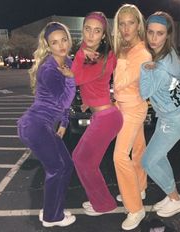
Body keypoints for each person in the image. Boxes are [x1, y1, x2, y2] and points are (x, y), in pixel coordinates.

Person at [17, 22, 76, 227]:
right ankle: (52, 217)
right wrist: (71, 79)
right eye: (54, 42)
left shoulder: (66, 61)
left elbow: (63, 108)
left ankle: (53, 210)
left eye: (64, 40)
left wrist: (64, 123)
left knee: (66, 166)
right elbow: (63, 101)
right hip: (34, 126)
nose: (61, 45)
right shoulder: (50, 69)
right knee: (56, 169)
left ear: (69, 40)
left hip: (45, 126)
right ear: (48, 46)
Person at [140, 11, 180, 217]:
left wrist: (145, 69)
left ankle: (176, 200)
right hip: (174, 113)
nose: (153, 38)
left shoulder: (159, 67)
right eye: (150, 32)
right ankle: (171, 195)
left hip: (174, 119)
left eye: (159, 34)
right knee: (159, 157)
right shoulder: (168, 53)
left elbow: (144, 92)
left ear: (167, 35)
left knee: (149, 161)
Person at [71, 12, 123, 216]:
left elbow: (74, 78)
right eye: (87, 29)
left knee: (83, 161)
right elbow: (89, 82)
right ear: (82, 29)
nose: (91, 34)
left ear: (103, 35)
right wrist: (88, 101)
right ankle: (100, 201)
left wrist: (82, 55)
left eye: (97, 30)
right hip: (100, 115)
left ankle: (103, 204)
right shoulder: (87, 52)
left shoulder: (105, 56)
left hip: (107, 118)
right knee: (82, 159)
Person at [112, 4, 152, 230]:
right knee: (138, 148)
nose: (126, 28)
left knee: (119, 157)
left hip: (133, 108)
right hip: (124, 105)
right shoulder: (126, 49)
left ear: (139, 25)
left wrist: (120, 58)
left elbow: (119, 82)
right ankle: (140, 186)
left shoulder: (140, 52)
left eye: (131, 23)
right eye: (122, 23)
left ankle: (136, 209)